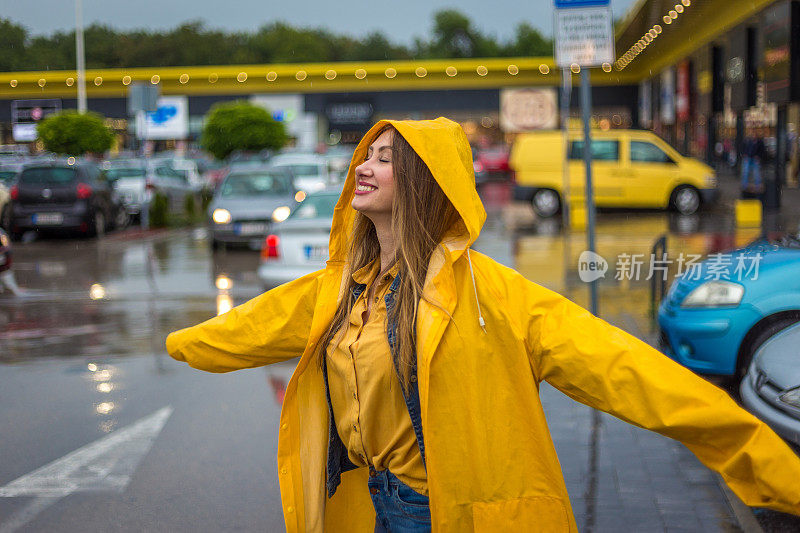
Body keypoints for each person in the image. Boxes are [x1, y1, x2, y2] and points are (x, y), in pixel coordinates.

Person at [167, 118, 800, 532]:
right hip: (362, 508)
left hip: (440, 515)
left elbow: (626, 372)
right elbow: (249, 328)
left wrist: (766, 464)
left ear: (420, 182)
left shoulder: (491, 295)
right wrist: (183, 345)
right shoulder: (337, 292)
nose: (362, 167)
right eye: (365, 156)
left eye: (384, 160)